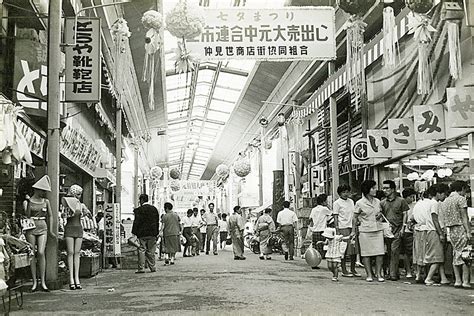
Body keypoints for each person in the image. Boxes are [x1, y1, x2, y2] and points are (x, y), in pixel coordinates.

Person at [351, 180, 385, 282]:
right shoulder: (359, 203)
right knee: (366, 254)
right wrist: (353, 231)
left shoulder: (378, 201)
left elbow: (381, 214)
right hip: (365, 231)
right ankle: (369, 274)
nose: (375, 190)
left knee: (380, 253)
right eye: (373, 188)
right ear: (367, 190)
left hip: (378, 229)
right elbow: (354, 218)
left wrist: (380, 216)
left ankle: (378, 274)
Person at [25, 175, 54, 292]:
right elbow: (27, 216)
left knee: (41, 252)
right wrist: (27, 203)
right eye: (42, 190)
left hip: (43, 227)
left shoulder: (46, 201)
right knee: (32, 254)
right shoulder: (28, 201)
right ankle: (34, 282)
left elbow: (50, 216)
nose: (43, 192)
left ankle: (42, 281)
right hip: (31, 227)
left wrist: (51, 230)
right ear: (36, 189)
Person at [442, 181, 472, 288]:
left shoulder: (446, 200)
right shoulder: (461, 199)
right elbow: (464, 217)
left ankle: (457, 280)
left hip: (451, 230)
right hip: (460, 228)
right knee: (465, 255)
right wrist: (468, 231)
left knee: (456, 254)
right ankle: (465, 281)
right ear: (462, 188)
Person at [380, 180, 410, 281]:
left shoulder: (401, 201)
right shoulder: (382, 202)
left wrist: (403, 227)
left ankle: (392, 274)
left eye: (387, 188)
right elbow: (381, 216)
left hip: (398, 230)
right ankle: (392, 272)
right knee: (389, 252)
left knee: (394, 251)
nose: (385, 190)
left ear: (393, 189)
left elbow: (405, 213)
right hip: (387, 231)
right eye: (383, 188)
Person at [423, 184, 449, 285]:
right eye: (444, 194)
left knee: (439, 256)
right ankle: (429, 278)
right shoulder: (435, 203)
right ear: (438, 193)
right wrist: (441, 233)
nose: (445, 196)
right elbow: (435, 219)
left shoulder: (431, 203)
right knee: (437, 257)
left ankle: (443, 278)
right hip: (434, 231)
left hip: (431, 231)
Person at [333, 184, 360, 277]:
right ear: (339, 193)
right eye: (343, 192)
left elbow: (354, 215)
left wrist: (356, 224)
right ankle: (344, 270)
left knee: (354, 249)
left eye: (347, 192)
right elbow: (335, 217)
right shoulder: (337, 203)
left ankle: (353, 269)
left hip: (352, 227)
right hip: (342, 227)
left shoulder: (351, 201)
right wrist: (337, 229)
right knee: (344, 250)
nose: (345, 194)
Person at [62, 184, 85, 290]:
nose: (79, 196)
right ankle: (72, 278)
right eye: (78, 194)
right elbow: (64, 215)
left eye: (80, 194)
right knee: (70, 253)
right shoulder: (67, 203)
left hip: (78, 228)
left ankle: (76, 278)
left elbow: (86, 214)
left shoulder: (81, 204)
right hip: (70, 228)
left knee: (77, 253)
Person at [132, 194, 160, 273]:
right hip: (152, 233)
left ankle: (141, 268)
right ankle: (152, 267)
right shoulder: (154, 209)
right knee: (151, 251)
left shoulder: (138, 210)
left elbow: (136, 222)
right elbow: (157, 222)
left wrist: (134, 233)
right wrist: (156, 233)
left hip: (142, 234)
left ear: (141, 200)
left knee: (142, 250)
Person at [411, 190, 433, 283]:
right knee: (426, 252)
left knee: (418, 252)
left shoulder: (417, 204)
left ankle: (418, 274)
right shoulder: (431, 204)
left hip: (417, 229)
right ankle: (427, 275)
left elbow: (412, 218)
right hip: (427, 229)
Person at [309, 194, 332, 260]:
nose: (327, 202)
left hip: (315, 231)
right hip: (322, 230)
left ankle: (315, 262)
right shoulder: (324, 209)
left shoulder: (313, 209)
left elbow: (310, 219)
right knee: (323, 248)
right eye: (326, 201)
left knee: (315, 248)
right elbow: (332, 214)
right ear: (323, 202)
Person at [401, 187, 417, 278]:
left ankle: (413, 269)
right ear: (406, 197)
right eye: (410, 197)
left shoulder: (415, 205)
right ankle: (408, 270)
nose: (412, 199)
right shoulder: (403, 205)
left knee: (414, 252)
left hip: (414, 231)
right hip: (407, 231)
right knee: (407, 252)